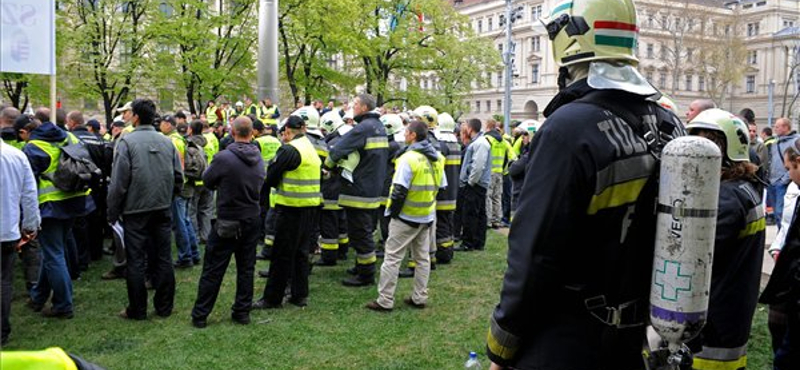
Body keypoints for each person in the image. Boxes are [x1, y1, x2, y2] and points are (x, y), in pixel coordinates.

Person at [486, 0, 685, 368]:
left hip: (566, 337)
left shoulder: (570, 127)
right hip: (632, 338)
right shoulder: (669, 123)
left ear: (568, 41)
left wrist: (501, 348)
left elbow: (535, 254)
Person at [684, 109, 765, 369]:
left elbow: (693, 256)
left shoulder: (726, 200)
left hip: (714, 328)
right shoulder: (744, 188)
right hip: (732, 315)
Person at [107, 99, 182, 320]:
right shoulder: (167, 142)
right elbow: (178, 177)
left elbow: (118, 183)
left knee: (136, 260)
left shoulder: (126, 142)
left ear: (136, 117)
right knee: (163, 257)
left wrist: (112, 211)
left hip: (135, 211)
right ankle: (164, 307)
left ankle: (138, 310)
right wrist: (167, 197)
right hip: (161, 207)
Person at [191, 117, 264, 328]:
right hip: (251, 217)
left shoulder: (224, 158)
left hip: (229, 219)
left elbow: (207, 180)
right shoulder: (257, 156)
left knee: (214, 268)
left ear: (232, 132)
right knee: (246, 267)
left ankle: (200, 315)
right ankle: (242, 312)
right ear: (252, 133)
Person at [23, 108, 96, 319]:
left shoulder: (33, 147)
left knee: (54, 254)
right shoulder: (70, 136)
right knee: (54, 251)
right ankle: (38, 296)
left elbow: (29, 183)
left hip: (50, 207)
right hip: (75, 200)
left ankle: (63, 305)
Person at [365, 121, 445, 312]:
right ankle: (419, 297)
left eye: (407, 132)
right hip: (426, 216)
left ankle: (385, 300)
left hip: (406, 217)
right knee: (422, 258)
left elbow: (399, 189)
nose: (404, 135)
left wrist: (393, 213)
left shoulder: (408, 158)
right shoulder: (437, 158)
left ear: (413, 136)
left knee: (392, 258)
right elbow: (441, 186)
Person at [253, 115, 321, 308]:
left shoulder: (290, 150)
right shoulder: (309, 147)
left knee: (281, 254)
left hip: (291, 208)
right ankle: (299, 294)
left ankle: (272, 298)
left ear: (288, 132)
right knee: (300, 253)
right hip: (310, 208)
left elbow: (271, 177)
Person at [327, 94, 389, 287]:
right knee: (365, 231)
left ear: (363, 107)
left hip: (358, 191)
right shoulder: (379, 127)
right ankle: (360, 266)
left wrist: (328, 166)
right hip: (373, 188)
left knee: (360, 234)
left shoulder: (362, 128)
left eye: (354, 104)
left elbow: (337, 150)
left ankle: (366, 274)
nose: (352, 108)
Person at [760, 137, 800, 369]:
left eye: (789, 169)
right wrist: (777, 246)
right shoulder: (794, 190)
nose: (789, 176)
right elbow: (787, 227)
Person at [1, 135, 40, 344]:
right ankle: (2, 330)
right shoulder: (17, 156)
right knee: (4, 281)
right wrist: (31, 225)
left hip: (8, 229)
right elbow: (29, 195)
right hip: (7, 230)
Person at [161, 115, 201, 268]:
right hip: (187, 185)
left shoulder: (173, 140)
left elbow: (178, 166)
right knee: (185, 220)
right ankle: (194, 253)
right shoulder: (181, 139)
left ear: (168, 125)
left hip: (180, 187)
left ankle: (185, 257)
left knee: (180, 223)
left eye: (162, 124)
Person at [316, 111, 352, 265]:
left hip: (331, 187)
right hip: (343, 186)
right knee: (341, 220)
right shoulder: (346, 138)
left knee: (329, 222)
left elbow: (327, 164)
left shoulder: (333, 142)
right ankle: (343, 250)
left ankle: (329, 256)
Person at [454, 118, 491, 252]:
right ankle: (478, 242)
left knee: (470, 214)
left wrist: (470, 182)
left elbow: (478, 166)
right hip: (478, 184)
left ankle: (468, 242)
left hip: (475, 184)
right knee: (479, 213)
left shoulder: (479, 143)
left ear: (470, 129)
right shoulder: (480, 142)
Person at [484, 119, 516, 229]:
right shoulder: (504, 141)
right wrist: (505, 169)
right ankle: (497, 220)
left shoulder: (487, 139)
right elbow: (512, 157)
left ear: (488, 126)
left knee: (488, 196)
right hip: (500, 173)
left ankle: (488, 221)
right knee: (497, 197)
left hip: (489, 172)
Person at [768, 118, 799, 230]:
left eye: (777, 126)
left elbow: (796, 162)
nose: (775, 129)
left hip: (783, 183)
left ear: (786, 127)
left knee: (782, 213)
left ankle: (785, 239)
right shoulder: (775, 142)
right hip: (772, 182)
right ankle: (780, 236)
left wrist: (785, 179)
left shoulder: (796, 141)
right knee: (777, 213)